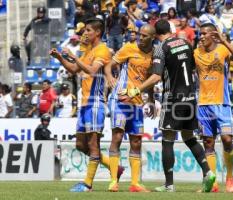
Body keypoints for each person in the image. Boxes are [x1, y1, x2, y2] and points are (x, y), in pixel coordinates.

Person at [120, 19, 216, 193]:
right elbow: (192, 67)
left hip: (173, 98)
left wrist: (136, 90)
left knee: (167, 139)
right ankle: (208, 172)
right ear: (170, 30)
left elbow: (156, 77)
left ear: (156, 34)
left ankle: (169, 185)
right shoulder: (186, 44)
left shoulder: (161, 48)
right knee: (189, 137)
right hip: (190, 97)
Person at [50, 18, 123, 192]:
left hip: (95, 103)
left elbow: (91, 70)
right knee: (80, 146)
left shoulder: (103, 50)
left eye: (88, 30)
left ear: (97, 32)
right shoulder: (89, 50)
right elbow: (75, 69)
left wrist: (74, 56)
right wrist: (60, 57)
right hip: (84, 104)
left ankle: (87, 184)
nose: (85, 33)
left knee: (92, 145)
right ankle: (115, 168)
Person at [104, 24, 156, 193]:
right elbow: (108, 65)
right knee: (117, 137)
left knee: (136, 141)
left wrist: (152, 101)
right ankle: (113, 180)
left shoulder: (154, 54)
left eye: (144, 36)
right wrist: (110, 76)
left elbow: (149, 80)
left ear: (152, 38)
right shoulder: (129, 48)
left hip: (137, 102)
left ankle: (135, 183)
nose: (140, 38)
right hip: (120, 99)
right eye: (139, 35)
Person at [194, 23, 233, 193]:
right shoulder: (196, 53)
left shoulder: (222, 50)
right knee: (208, 142)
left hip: (222, 103)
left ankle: (229, 177)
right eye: (200, 34)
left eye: (204, 34)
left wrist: (225, 41)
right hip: (203, 104)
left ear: (213, 35)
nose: (201, 36)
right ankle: (212, 182)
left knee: (227, 140)